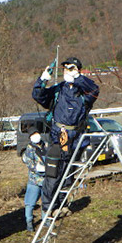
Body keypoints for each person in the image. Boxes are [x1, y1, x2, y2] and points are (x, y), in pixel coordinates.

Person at [32, 57, 99, 217]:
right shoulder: (57, 90)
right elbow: (38, 96)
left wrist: (78, 78)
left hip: (77, 137)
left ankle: (61, 204)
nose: (67, 71)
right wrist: (42, 80)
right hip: (58, 136)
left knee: (68, 174)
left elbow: (95, 90)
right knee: (54, 172)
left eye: (71, 68)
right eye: (65, 68)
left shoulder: (84, 93)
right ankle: (49, 207)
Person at [22, 126, 46, 232]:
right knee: (30, 203)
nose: (36, 136)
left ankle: (46, 221)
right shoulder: (29, 149)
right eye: (33, 134)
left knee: (46, 202)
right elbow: (29, 164)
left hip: (46, 180)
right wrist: (38, 168)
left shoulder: (45, 145)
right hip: (34, 181)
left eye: (37, 133)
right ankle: (29, 223)